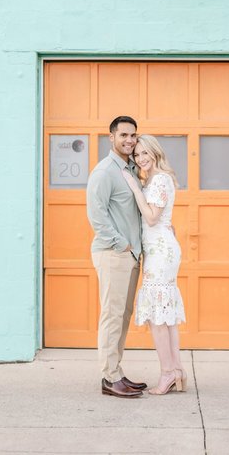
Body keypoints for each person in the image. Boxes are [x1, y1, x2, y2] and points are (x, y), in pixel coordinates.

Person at [86, 116, 147, 398]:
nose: (129, 140)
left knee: (123, 315)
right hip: (114, 253)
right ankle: (109, 377)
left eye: (133, 135)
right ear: (111, 137)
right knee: (112, 315)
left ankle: (116, 371)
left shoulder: (129, 169)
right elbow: (96, 214)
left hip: (131, 254)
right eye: (123, 135)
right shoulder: (105, 172)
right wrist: (120, 243)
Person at [121, 134, 187, 395]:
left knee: (159, 318)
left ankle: (168, 373)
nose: (141, 159)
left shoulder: (158, 179)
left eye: (145, 153)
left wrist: (135, 187)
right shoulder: (158, 179)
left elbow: (150, 218)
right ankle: (177, 370)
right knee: (165, 315)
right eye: (137, 155)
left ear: (155, 152)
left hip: (160, 253)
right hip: (161, 248)